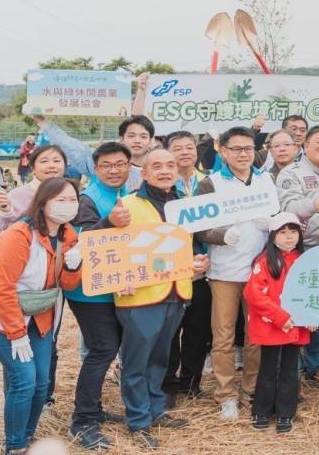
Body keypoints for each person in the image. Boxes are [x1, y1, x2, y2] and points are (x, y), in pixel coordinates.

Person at [0, 177, 83, 455]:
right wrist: (16, 334)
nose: (67, 206)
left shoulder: (69, 235)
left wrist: (73, 266)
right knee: (24, 379)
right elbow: (3, 288)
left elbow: (67, 286)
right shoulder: (18, 235)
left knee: (42, 382)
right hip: (0, 317)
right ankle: (15, 446)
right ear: (42, 204)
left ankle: (27, 437)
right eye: (60, 200)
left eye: (72, 200)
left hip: (40, 314)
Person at [114, 149, 209, 449]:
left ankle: (156, 409)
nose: (165, 170)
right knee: (136, 361)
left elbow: (188, 245)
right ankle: (139, 419)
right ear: (143, 172)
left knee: (160, 359)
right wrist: (119, 279)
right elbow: (113, 249)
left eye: (170, 165)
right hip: (141, 297)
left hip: (176, 292)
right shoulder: (127, 205)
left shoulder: (182, 205)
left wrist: (197, 262)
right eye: (157, 166)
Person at [193, 127, 273, 421]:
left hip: (259, 270)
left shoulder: (266, 179)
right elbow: (198, 226)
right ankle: (226, 394)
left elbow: (277, 217)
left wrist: (273, 224)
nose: (243, 154)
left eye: (248, 148)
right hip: (224, 271)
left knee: (256, 335)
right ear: (222, 151)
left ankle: (251, 387)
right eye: (236, 149)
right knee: (224, 336)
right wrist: (222, 235)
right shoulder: (210, 183)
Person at [67, 144, 133, 449]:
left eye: (120, 164)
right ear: (96, 169)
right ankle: (83, 421)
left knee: (109, 348)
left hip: (117, 286)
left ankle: (93, 410)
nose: (115, 169)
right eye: (107, 165)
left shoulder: (127, 195)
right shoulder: (87, 198)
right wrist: (109, 223)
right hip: (88, 292)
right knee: (103, 349)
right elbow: (83, 237)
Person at [276, 125, 319, 383]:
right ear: (305, 145)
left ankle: (315, 361)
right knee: (298, 307)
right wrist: (312, 205)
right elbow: (287, 207)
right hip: (300, 250)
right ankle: (292, 370)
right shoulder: (290, 173)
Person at [244, 213, 310, 434]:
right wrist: (281, 317)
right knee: (269, 368)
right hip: (273, 324)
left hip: (296, 325)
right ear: (272, 236)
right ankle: (261, 410)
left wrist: (311, 317)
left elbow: (313, 292)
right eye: (283, 232)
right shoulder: (264, 261)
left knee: (291, 369)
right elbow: (254, 294)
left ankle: (285, 412)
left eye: (293, 231)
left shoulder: (305, 260)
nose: (289, 237)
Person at [160, 131, 212, 407]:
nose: (184, 152)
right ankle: (167, 385)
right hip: (172, 269)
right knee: (170, 330)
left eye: (189, 147)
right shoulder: (164, 185)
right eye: (177, 148)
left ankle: (191, 382)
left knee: (198, 330)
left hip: (203, 268)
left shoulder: (209, 182)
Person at [30, 114, 153, 188]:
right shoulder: (99, 160)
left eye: (143, 136)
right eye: (131, 136)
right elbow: (70, 145)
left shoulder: (156, 169)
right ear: (121, 138)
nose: (137, 141)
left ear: (151, 140)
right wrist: (42, 121)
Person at [0, 145, 69, 242]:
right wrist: (6, 214)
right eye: (44, 161)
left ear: (65, 165)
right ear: (33, 167)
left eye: (56, 161)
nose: (51, 165)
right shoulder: (16, 196)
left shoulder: (71, 194)